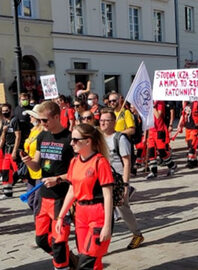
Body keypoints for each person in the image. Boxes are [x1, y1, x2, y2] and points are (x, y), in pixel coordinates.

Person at [21, 101, 74, 269]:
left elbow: (76, 172)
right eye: (40, 120)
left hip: (61, 198)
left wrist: (58, 179)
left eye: (45, 120)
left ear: (57, 117)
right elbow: (37, 165)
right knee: (42, 239)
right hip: (44, 196)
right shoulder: (43, 136)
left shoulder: (70, 138)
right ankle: (68, 258)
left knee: (59, 241)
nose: (41, 124)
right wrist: (28, 162)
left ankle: (63, 263)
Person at [55, 123, 113, 269]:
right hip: (80, 213)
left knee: (87, 261)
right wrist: (61, 216)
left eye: (75, 140)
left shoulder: (100, 162)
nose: (71, 143)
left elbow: (108, 195)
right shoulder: (74, 161)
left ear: (88, 141)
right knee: (90, 258)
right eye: (71, 139)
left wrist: (107, 225)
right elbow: (72, 190)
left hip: (98, 213)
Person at [99, 108, 144, 250]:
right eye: (101, 120)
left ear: (114, 122)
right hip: (103, 179)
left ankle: (137, 234)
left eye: (107, 120)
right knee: (105, 211)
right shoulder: (98, 138)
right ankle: (102, 243)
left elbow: (127, 162)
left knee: (123, 209)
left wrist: (125, 184)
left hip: (118, 180)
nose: (103, 123)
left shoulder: (120, 138)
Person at [146, 101, 177, 179]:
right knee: (151, 152)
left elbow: (158, 116)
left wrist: (152, 107)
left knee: (162, 152)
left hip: (160, 130)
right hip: (151, 130)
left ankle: (172, 165)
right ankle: (153, 171)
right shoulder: (148, 103)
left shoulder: (160, 103)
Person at [22, 105, 43, 213]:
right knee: (30, 201)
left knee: (37, 202)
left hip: (39, 170)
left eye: (31, 116)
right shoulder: (33, 130)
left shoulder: (43, 132)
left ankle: (41, 226)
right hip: (30, 170)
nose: (30, 118)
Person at [0, 103, 21, 199]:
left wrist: (14, 151)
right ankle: (7, 192)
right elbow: (3, 138)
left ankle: (33, 187)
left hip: (13, 149)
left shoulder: (14, 120)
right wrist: (4, 131)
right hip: (6, 150)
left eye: (6, 111)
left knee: (20, 172)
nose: (5, 113)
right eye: (3, 111)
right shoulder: (4, 122)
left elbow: (18, 136)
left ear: (10, 110)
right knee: (5, 171)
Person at [177, 101, 198, 168]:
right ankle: (194, 160)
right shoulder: (186, 105)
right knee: (190, 145)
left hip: (195, 127)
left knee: (192, 144)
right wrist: (179, 125)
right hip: (188, 128)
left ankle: (190, 161)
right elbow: (183, 115)